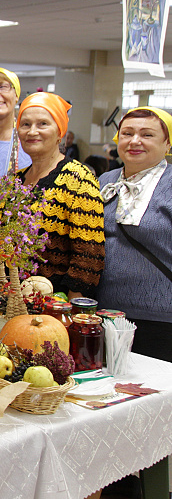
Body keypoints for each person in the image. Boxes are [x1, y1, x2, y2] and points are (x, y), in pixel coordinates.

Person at [95, 106, 172, 361]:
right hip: (104, 314)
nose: (134, 141)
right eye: (127, 133)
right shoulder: (105, 181)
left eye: (147, 135)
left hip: (160, 319)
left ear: (167, 143)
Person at [16, 92, 104, 297]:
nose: (32, 131)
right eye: (25, 124)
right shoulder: (15, 181)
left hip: (55, 303)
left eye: (43, 124)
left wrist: (71, 308)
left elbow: (88, 255)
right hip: (11, 299)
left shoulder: (78, 179)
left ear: (60, 132)